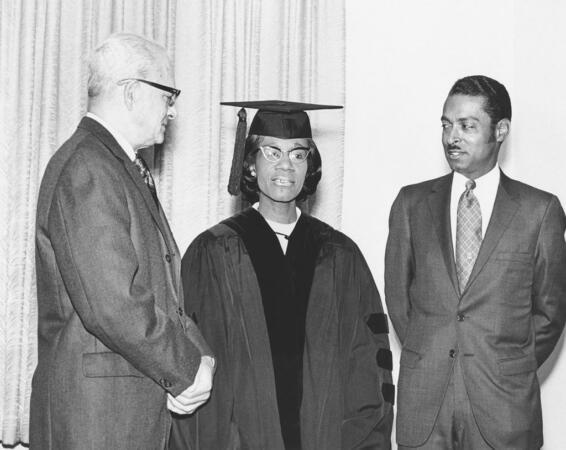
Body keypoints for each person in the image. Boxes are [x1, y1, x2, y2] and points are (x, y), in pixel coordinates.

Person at [170, 100, 394, 449]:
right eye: (272, 152)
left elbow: (368, 367)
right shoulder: (212, 253)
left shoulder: (341, 256)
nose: (286, 165)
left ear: (310, 166)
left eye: (298, 154)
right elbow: (193, 362)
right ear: (250, 163)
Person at [30, 33, 215, 450]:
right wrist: (186, 369)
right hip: (97, 420)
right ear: (132, 92)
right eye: (168, 94)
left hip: (118, 415)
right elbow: (114, 304)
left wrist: (202, 356)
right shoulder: (89, 167)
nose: (172, 108)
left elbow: (162, 293)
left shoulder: (115, 166)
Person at [385, 75, 566, 449]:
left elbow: (551, 312)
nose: (453, 137)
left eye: (467, 126)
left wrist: (507, 363)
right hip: (425, 405)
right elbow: (399, 300)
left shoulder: (540, 211)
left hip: (504, 409)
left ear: (501, 130)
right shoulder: (411, 204)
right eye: (447, 125)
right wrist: (430, 350)